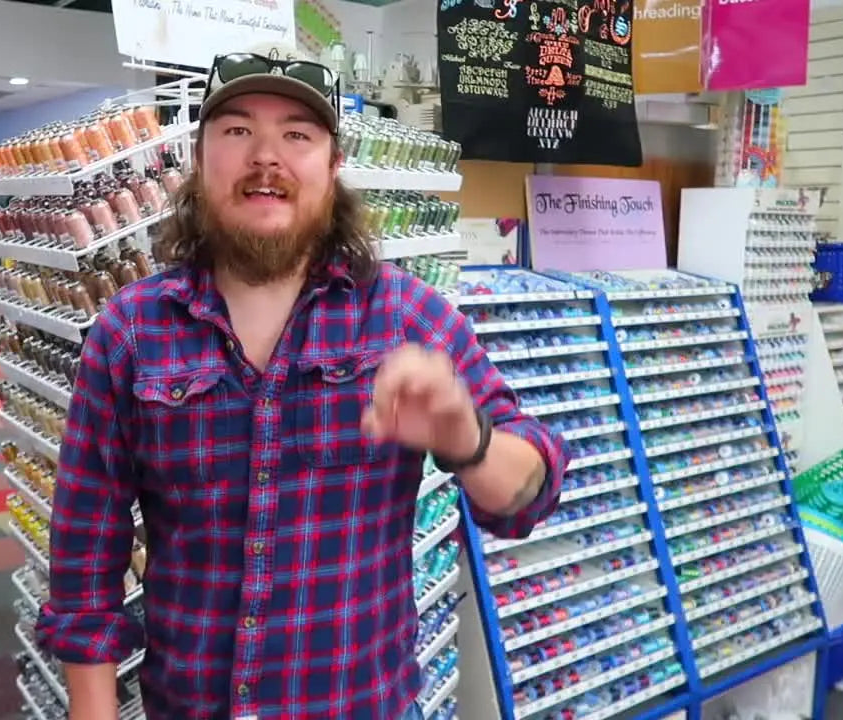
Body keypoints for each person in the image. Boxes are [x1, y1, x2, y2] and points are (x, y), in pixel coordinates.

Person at [37, 48, 569, 720]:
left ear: (333, 165)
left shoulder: (406, 316)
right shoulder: (131, 330)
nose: (266, 156)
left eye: (297, 134)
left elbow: (530, 496)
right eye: (237, 131)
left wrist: (469, 440)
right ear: (200, 161)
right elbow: (86, 557)